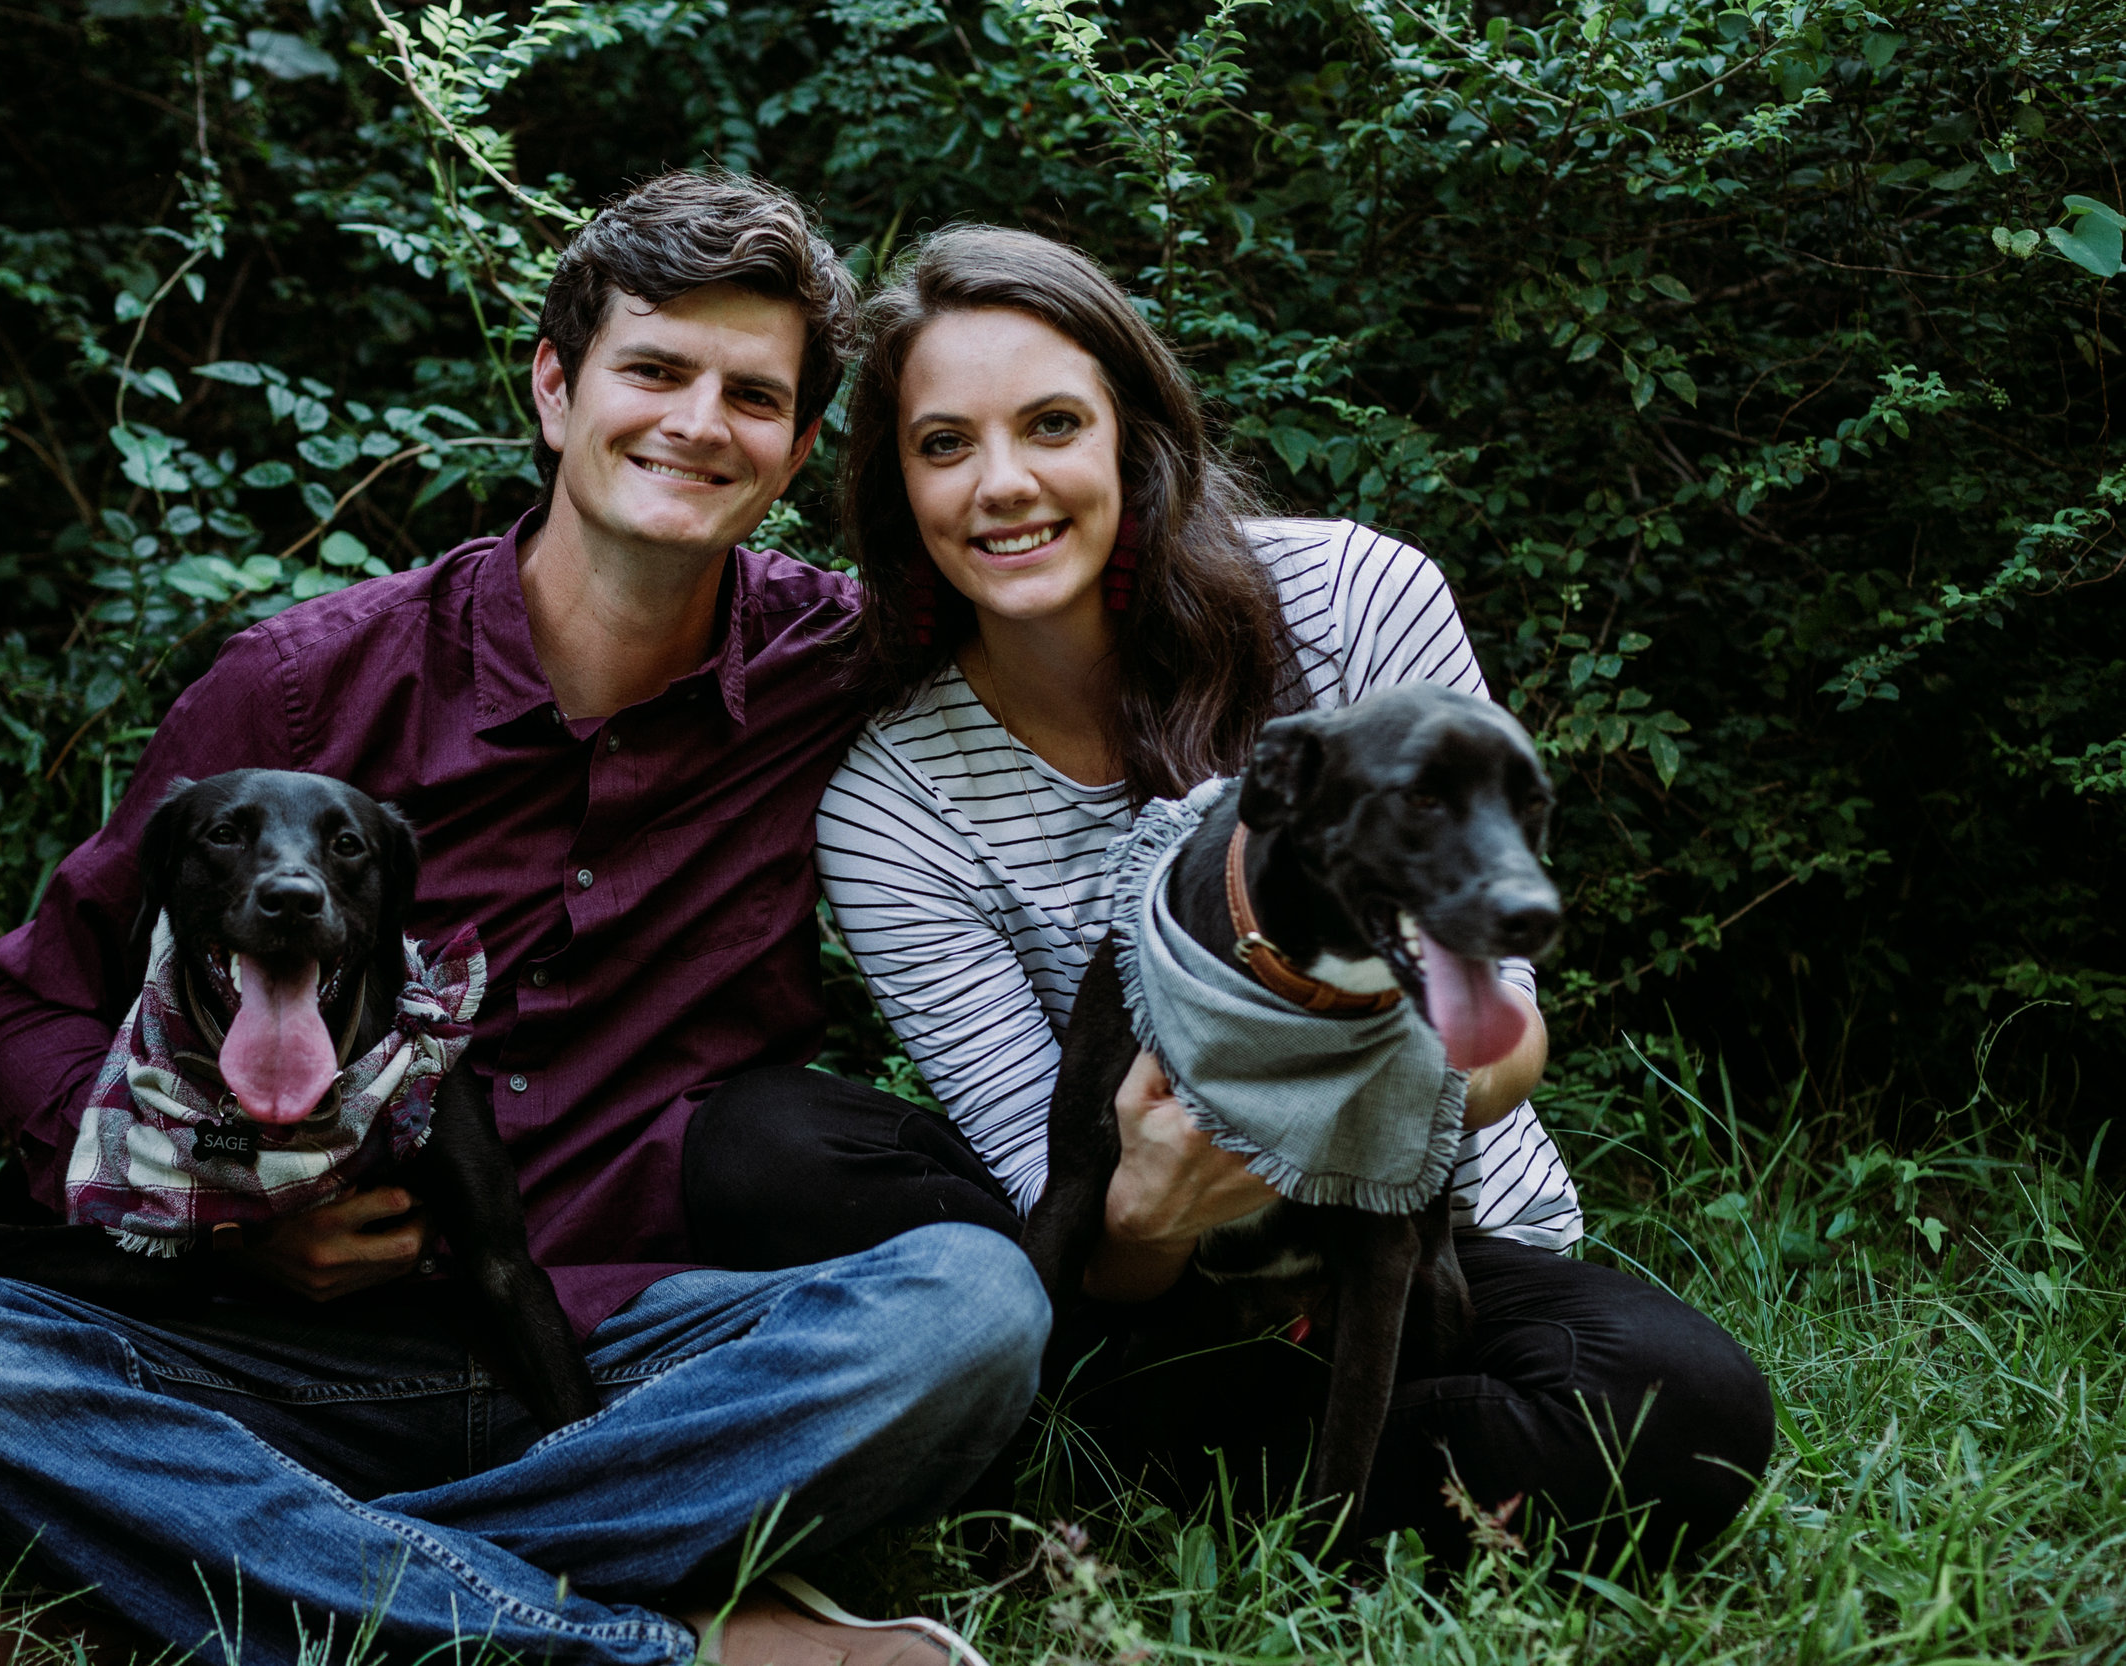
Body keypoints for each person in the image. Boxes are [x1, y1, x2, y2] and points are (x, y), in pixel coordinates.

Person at [0, 175, 1049, 1666]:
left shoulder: (833, 672)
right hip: (270, 1345)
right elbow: (32, 1005)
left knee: (969, 1309)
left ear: (795, 448)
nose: (697, 422)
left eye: (753, 395)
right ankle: (661, 1640)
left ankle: (246, 1570)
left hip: (628, 1346)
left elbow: (1083, 589)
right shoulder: (299, 690)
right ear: (555, 383)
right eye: (653, 369)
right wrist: (217, 1199)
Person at [685, 224, 1773, 1565]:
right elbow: (1064, 1203)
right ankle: (1279, 1457)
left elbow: (1503, 1049)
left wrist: (1303, 1103)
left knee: (1690, 1410)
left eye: (1052, 423)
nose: (1004, 483)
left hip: (1423, 1237)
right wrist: (1150, 1212)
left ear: (1134, 437)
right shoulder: (892, 803)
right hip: (1146, 1285)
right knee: (768, 1142)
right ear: (895, 486)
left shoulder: (1355, 602)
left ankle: (1188, 1470)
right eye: (944, 444)